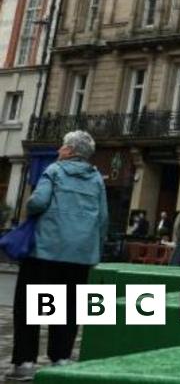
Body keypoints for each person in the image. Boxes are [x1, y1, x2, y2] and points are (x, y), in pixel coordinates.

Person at [9, 131, 107, 380]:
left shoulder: (54, 171)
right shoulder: (96, 179)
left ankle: (25, 363)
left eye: (63, 146)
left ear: (71, 150)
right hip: (79, 255)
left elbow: (38, 202)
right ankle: (60, 358)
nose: (59, 150)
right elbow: (103, 218)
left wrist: (31, 209)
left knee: (30, 307)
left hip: (46, 250)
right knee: (68, 308)